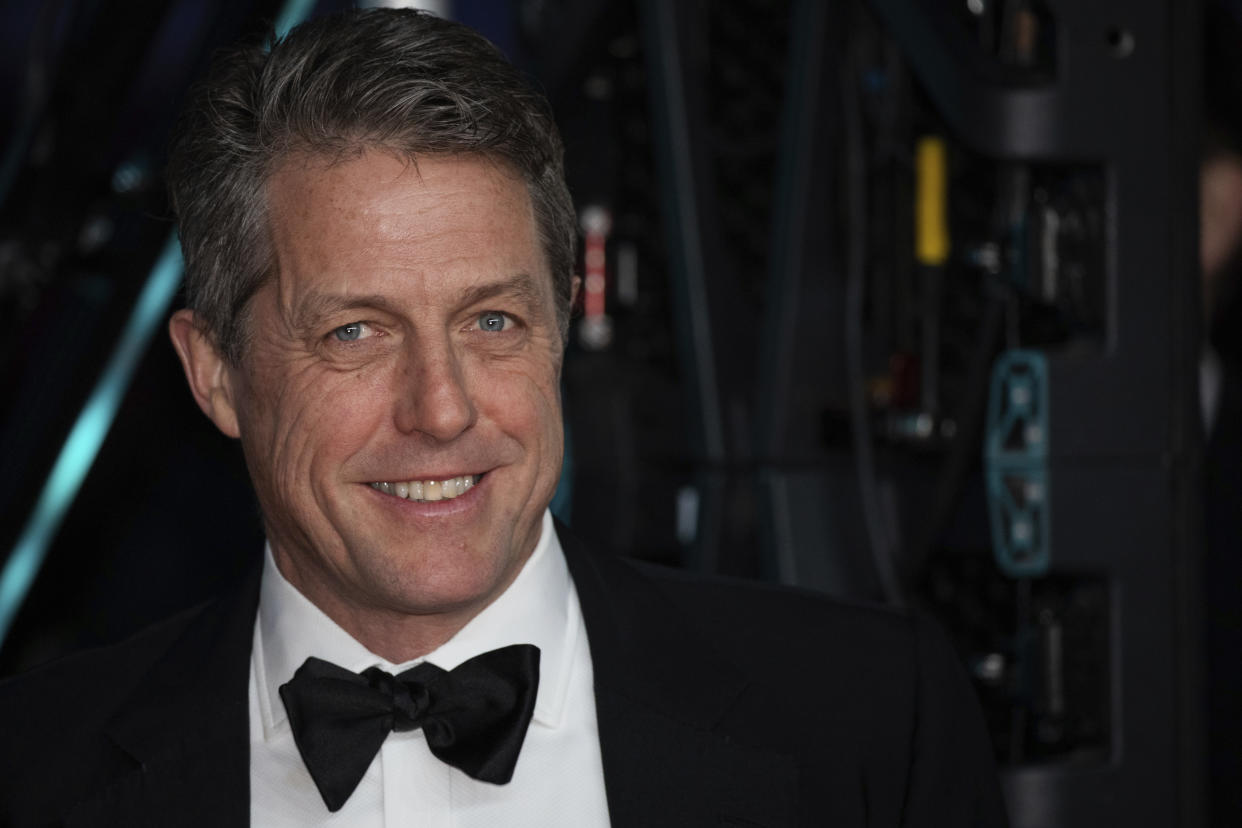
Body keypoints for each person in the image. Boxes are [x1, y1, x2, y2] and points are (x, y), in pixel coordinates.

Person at [0, 9, 1007, 826]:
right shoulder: (33, 769)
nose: (441, 409)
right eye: (356, 332)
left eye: (491, 319)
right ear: (213, 370)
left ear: (563, 320)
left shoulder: (873, 722)